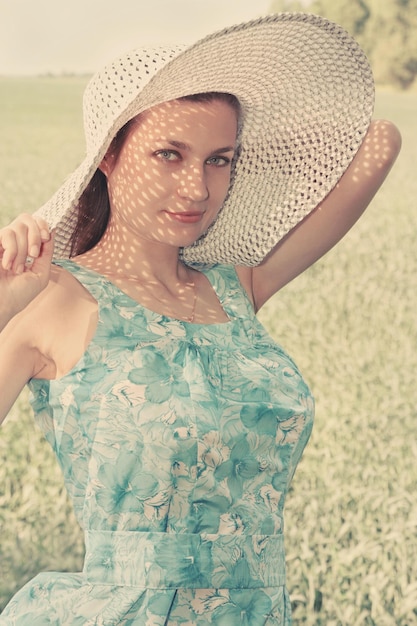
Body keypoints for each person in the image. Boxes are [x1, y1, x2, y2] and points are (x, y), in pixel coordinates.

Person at [0, 13, 400, 626]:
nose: (196, 188)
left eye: (220, 160)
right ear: (107, 156)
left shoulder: (236, 289)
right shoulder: (56, 298)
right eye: (168, 154)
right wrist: (4, 304)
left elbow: (381, 140)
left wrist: (244, 138)